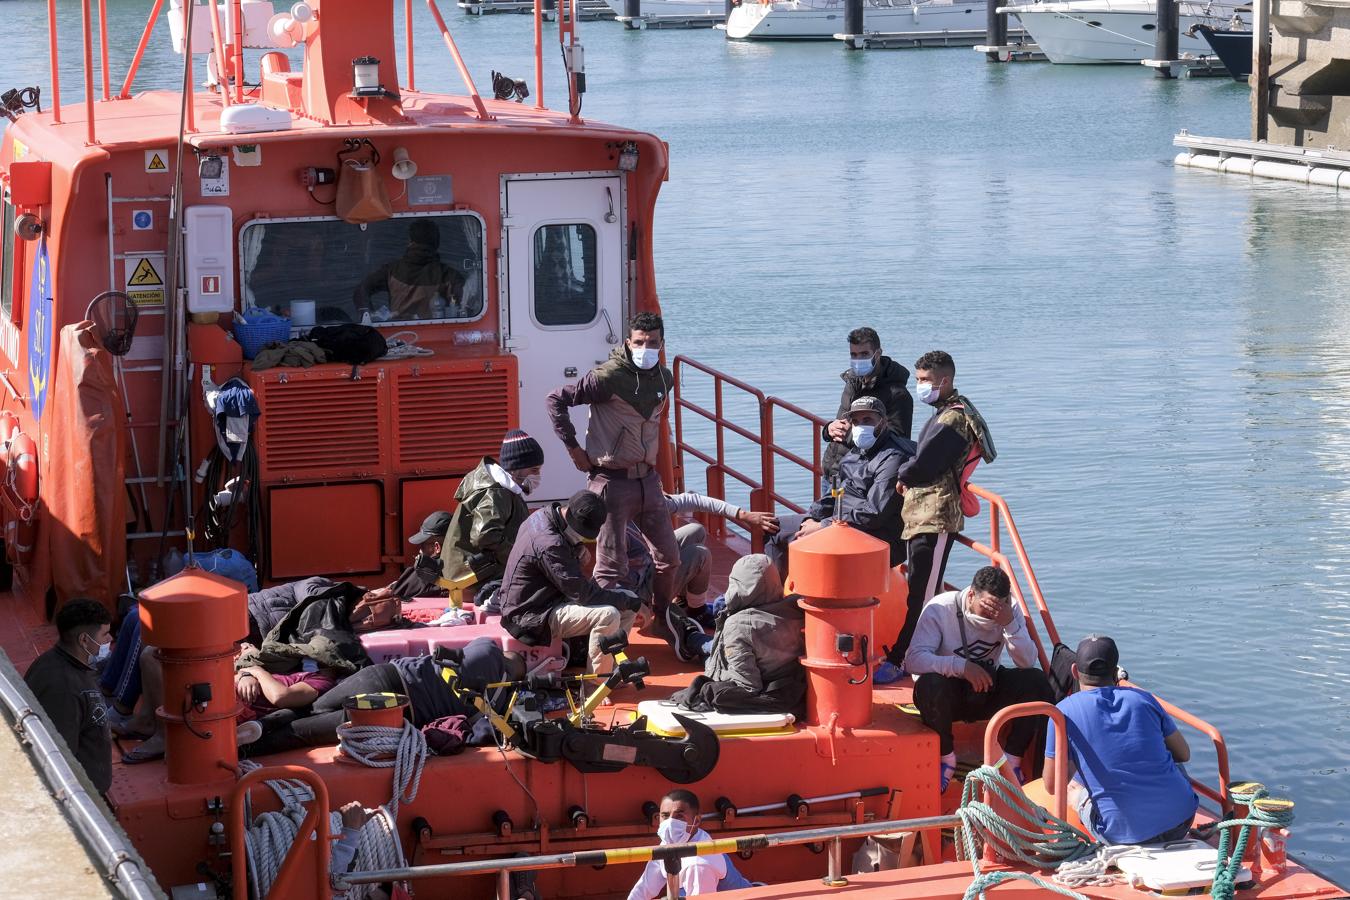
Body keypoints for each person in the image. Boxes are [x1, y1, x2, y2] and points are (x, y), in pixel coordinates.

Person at [545, 312, 682, 646]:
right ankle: (609, 641)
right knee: (610, 567)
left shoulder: (665, 379)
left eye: (652, 343)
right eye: (639, 342)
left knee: (670, 557)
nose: (645, 348)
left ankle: (660, 616)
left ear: (661, 344)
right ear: (627, 342)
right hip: (611, 481)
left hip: (648, 480)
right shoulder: (607, 377)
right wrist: (574, 448)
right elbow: (555, 400)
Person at [885, 350, 995, 668]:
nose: (920, 386)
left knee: (925, 591)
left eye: (924, 380)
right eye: (918, 380)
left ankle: (905, 657)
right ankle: (914, 654)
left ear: (944, 381)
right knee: (919, 586)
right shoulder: (943, 413)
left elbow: (927, 463)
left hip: (937, 515)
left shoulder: (954, 419)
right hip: (922, 513)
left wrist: (904, 474)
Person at [903, 566, 1052, 792]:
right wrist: (961, 667)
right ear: (971, 595)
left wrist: (1009, 624)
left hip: (986, 688)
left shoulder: (1008, 611)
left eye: (997, 609)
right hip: (949, 692)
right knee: (928, 685)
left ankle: (1012, 762)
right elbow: (914, 660)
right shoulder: (941, 608)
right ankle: (947, 758)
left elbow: (1026, 661)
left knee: (1036, 681)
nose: (991, 615)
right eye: (987, 607)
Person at [244, 637, 523, 755]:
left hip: (384, 673)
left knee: (313, 707)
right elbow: (478, 733)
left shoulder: (486, 647)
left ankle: (262, 724)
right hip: (393, 705)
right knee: (305, 732)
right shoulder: (498, 699)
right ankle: (246, 749)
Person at [1045, 635, 1198, 844]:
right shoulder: (1143, 698)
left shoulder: (1062, 713)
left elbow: (1053, 785)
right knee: (1168, 757)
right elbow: (1183, 754)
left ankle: (1081, 801)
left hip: (1119, 833)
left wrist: (1077, 780)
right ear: (1116, 670)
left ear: (1074, 671)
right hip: (1180, 822)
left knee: (1074, 789)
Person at [765, 397, 914, 577]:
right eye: (856, 421)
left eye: (868, 420)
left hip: (874, 535)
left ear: (883, 422)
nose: (860, 427)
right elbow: (835, 493)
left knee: (808, 540)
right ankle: (778, 595)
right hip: (840, 523)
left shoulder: (893, 459)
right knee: (772, 527)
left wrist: (824, 525)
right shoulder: (853, 454)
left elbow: (874, 513)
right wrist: (812, 517)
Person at [499, 491, 642, 675]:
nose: (583, 537)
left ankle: (608, 663)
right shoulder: (550, 544)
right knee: (610, 614)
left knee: (627, 601)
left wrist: (574, 548)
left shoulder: (542, 515)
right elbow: (583, 594)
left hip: (545, 598)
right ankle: (596, 681)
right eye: (582, 534)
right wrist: (633, 603)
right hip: (531, 617)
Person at [672, 555, 806, 715]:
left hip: (736, 668)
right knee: (712, 647)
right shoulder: (796, 608)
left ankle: (689, 637)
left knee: (711, 652)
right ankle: (692, 638)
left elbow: (747, 685)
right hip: (774, 672)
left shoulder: (738, 625)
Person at [25, 599, 113, 796]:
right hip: (82, 796)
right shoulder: (63, 690)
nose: (110, 639)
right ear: (84, 640)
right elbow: (60, 757)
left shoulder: (57, 664)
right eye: (105, 634)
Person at [440, 430, 545, 586]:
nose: (538, 476)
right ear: (516, 468)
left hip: (467, 573)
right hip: (472, 577)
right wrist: (520, 556)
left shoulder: (502, 490)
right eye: (534, 470)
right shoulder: (496, 492)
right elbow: (485, 535)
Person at [821, 327, 914, 485]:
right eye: (854, 355)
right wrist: (829, 429)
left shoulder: (897, 394)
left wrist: (851, 433)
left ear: (877, 353)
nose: (858, 360)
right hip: (832, 473)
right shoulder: (852, 383)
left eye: (864, 354)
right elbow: (841, 422)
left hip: (861, 478)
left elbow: (897, 440)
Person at [627, 790, 755, 899]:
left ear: (697, 820)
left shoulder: (699, 864)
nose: (670, 823)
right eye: (665, 816)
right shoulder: (671, 842)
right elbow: (645, 888)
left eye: (679, 816)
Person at [352, 218, 465, 320]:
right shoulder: (450, 275)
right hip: (438, 330)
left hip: (399, 333)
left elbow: (361, 290)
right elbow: (464, 304)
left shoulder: (391, 270)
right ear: (436, 243)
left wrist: (369, 315)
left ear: (410, 242)